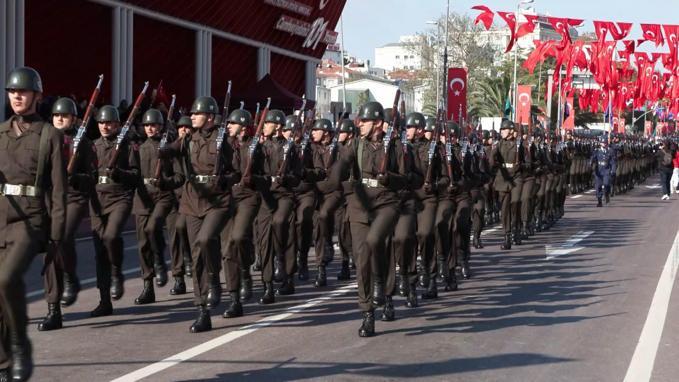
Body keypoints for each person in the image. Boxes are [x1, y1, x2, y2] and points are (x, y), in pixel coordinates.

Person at [0, 67, 66, 381]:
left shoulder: (49, 135)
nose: (16, 96)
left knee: (6, 278)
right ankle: (3, 364)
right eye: (12, 91)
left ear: (37, 97)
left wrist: (56, 239)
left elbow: (58, 191)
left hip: (30, 219)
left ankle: (20, 344)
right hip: (1, 215)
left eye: (23, 92)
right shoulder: (0, 133)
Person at [333, 101, 409, 337]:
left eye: (364, 121)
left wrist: (390, 179)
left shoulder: (394, 145)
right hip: (359, 205)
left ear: (377, 123)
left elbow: (406, 178)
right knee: (362, 259)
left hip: (386, 203)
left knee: (377, 241)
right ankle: (367, 314)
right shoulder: (355, 144)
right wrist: (336, 176)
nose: (360, 124)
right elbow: (341, 166)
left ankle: (384, 288)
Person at [39, 97, 95, 331]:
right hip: (50, 199)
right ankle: (54, 309)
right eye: (56, 115)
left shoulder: (84, 142)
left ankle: (70, 274)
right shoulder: (45, 140)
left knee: (63, 236)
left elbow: (92, 177)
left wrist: (75, 177)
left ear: (73, 118)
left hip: (73, 198)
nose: (60, 119)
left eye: (64, 115)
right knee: (51, 250)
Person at [90, 104, 140, 317]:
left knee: (111, 236)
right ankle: (104, 301)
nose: (104, 126)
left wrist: (119, 173)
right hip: (97, 199)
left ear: (118, 125)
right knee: (100, 251)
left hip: (120, 197)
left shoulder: (128, 146)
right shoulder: (92, 146)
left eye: (109, 122)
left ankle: (117, 271)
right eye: (101, 122)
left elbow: (136, 176)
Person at [132, 109, 184, 304]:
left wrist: (166, 182)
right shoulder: (137, 148)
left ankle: (178, 276)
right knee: (143, 242)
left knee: (174, 237)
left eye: (153, 125)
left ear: (161, 126)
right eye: (147, 125)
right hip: (143, 197)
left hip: (165, 196)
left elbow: (179, 177)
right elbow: (133, 174)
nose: (150, 128)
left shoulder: (169, 149)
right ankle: (148, 285)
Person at [222, 108, 259, 317]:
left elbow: (266, 175)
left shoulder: (256, 147)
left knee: (237, 238)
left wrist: (252, 178)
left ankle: (245, 271)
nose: (228, 126)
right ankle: (234, 298)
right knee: (228, 250)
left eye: (232, 123)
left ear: (243, 127)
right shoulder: (223, 146)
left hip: (248, 198)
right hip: (228, 198)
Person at [490, 120, 523, 250]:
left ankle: (517, 229)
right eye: (501, 130)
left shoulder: (519, 145)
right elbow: (491, 162)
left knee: (515, 203)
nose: (502, 132)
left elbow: (528, 162)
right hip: (503, 179)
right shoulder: (498, 145)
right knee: (504, 209)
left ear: (510, 130)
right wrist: (492, 153)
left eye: (504, 129)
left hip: (516, 178)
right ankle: (507, 236)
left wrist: (521, 165)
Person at [591, 137, 616, 206]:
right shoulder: (597, 151)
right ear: (600, 143)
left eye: (605, 143)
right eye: (602, 143)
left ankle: (607, 195)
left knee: (606, 184)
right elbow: (592, 158)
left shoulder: (610, 151)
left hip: (606, 170)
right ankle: (599, 201)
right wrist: (590, 164)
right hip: (598, 170)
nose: (604, 144)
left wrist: (613, 170)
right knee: (598, 186)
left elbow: (613, 162)